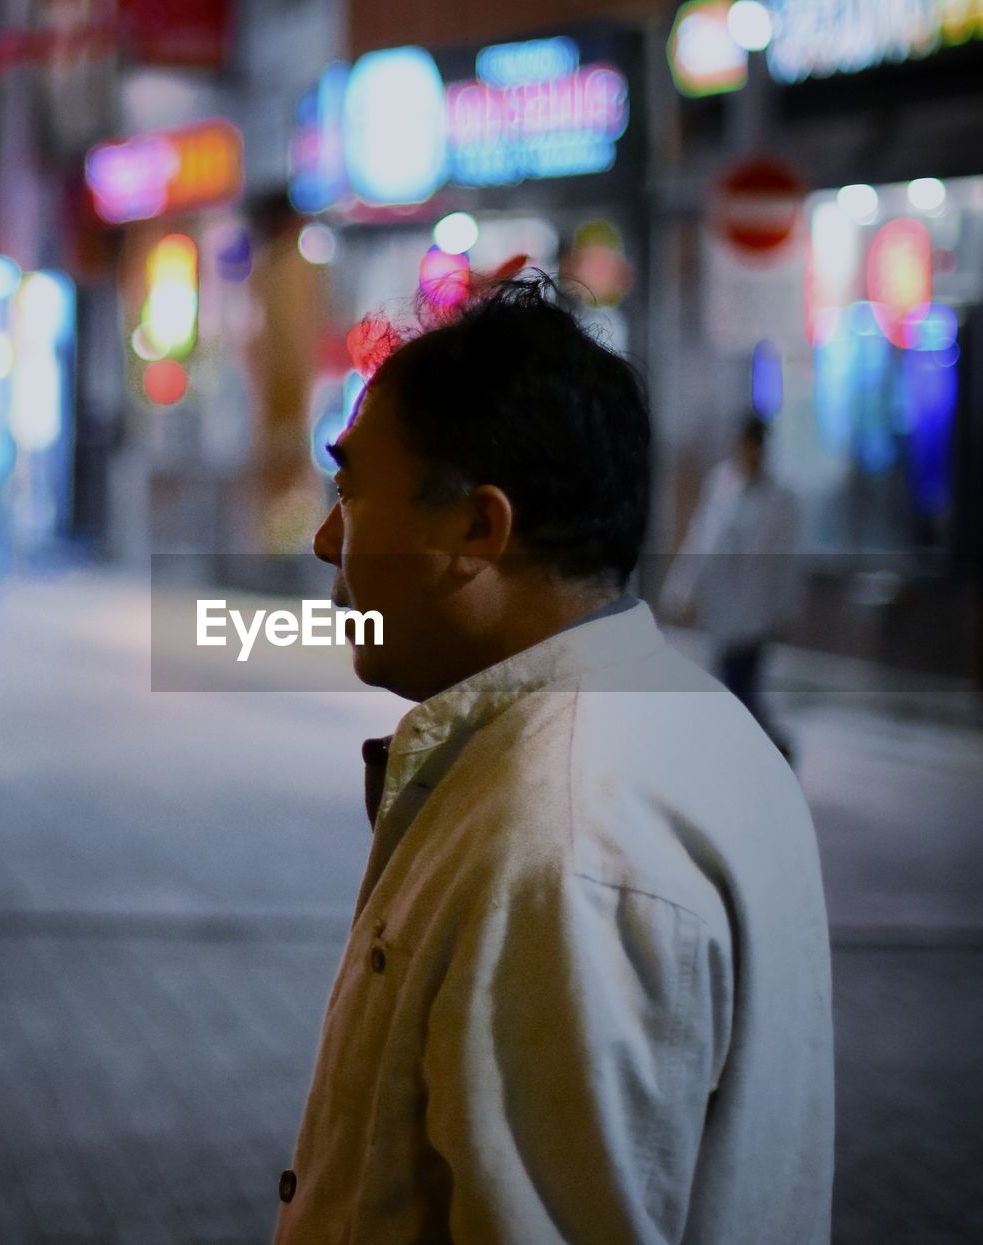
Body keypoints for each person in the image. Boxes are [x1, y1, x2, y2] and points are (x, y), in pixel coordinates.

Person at [275, 277, 832, 1244]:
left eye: (352, 487)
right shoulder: (695, 724)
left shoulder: (566, 836)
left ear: (476, 530)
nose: (329, 539)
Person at [662, 415, 801, 758]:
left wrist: (785, 610)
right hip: (721, 606)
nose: (745, 452)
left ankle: (762, 749)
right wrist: (681, 588)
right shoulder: (722, 484)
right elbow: (701, 539)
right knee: (735, 685)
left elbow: (786, 563)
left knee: (740, 683)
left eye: (751, 446)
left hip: (757, 613)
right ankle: (765, 748)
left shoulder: (781, 498)